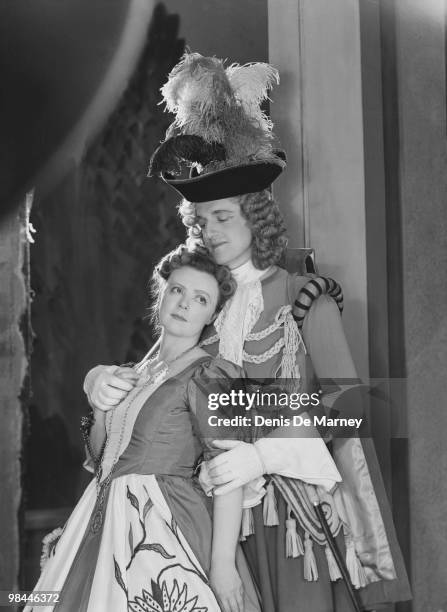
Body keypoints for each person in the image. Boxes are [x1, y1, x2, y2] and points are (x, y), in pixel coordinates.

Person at [84, 53, 411, 611]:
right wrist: (97, 383)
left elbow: (361, 407)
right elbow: (149, 394)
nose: (210, 232)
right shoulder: (197, 306)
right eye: (201, 220)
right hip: (205, 516)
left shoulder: (302, 298)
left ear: (255, 216)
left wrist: (265, 457)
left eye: (224, 217)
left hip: (290, 518)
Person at [26, 245, 262, 612]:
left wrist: (222, 565)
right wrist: (101, 408)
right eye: (177, 290)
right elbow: (101, 459)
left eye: (200, 299)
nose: (184, 303)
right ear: (162, 294)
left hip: (166, 520)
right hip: (100, 514)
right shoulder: (135, 372)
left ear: (212, 314)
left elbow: (229, 472)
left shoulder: (211, 375)